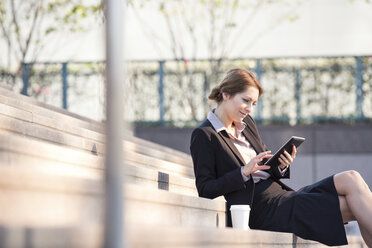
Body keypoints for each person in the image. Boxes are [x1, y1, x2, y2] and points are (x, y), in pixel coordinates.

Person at [190, 68, 372, 246]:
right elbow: (205, 189)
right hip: (262, 208)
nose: (249, 109)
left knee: (352, 178)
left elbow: (266, 164)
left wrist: (282, 165)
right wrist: (243, 172)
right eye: (246, 100)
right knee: (357, 205)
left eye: (253, 103)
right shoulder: (204, 135)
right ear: (226, 94)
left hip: (283, 196)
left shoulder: (247, 124)